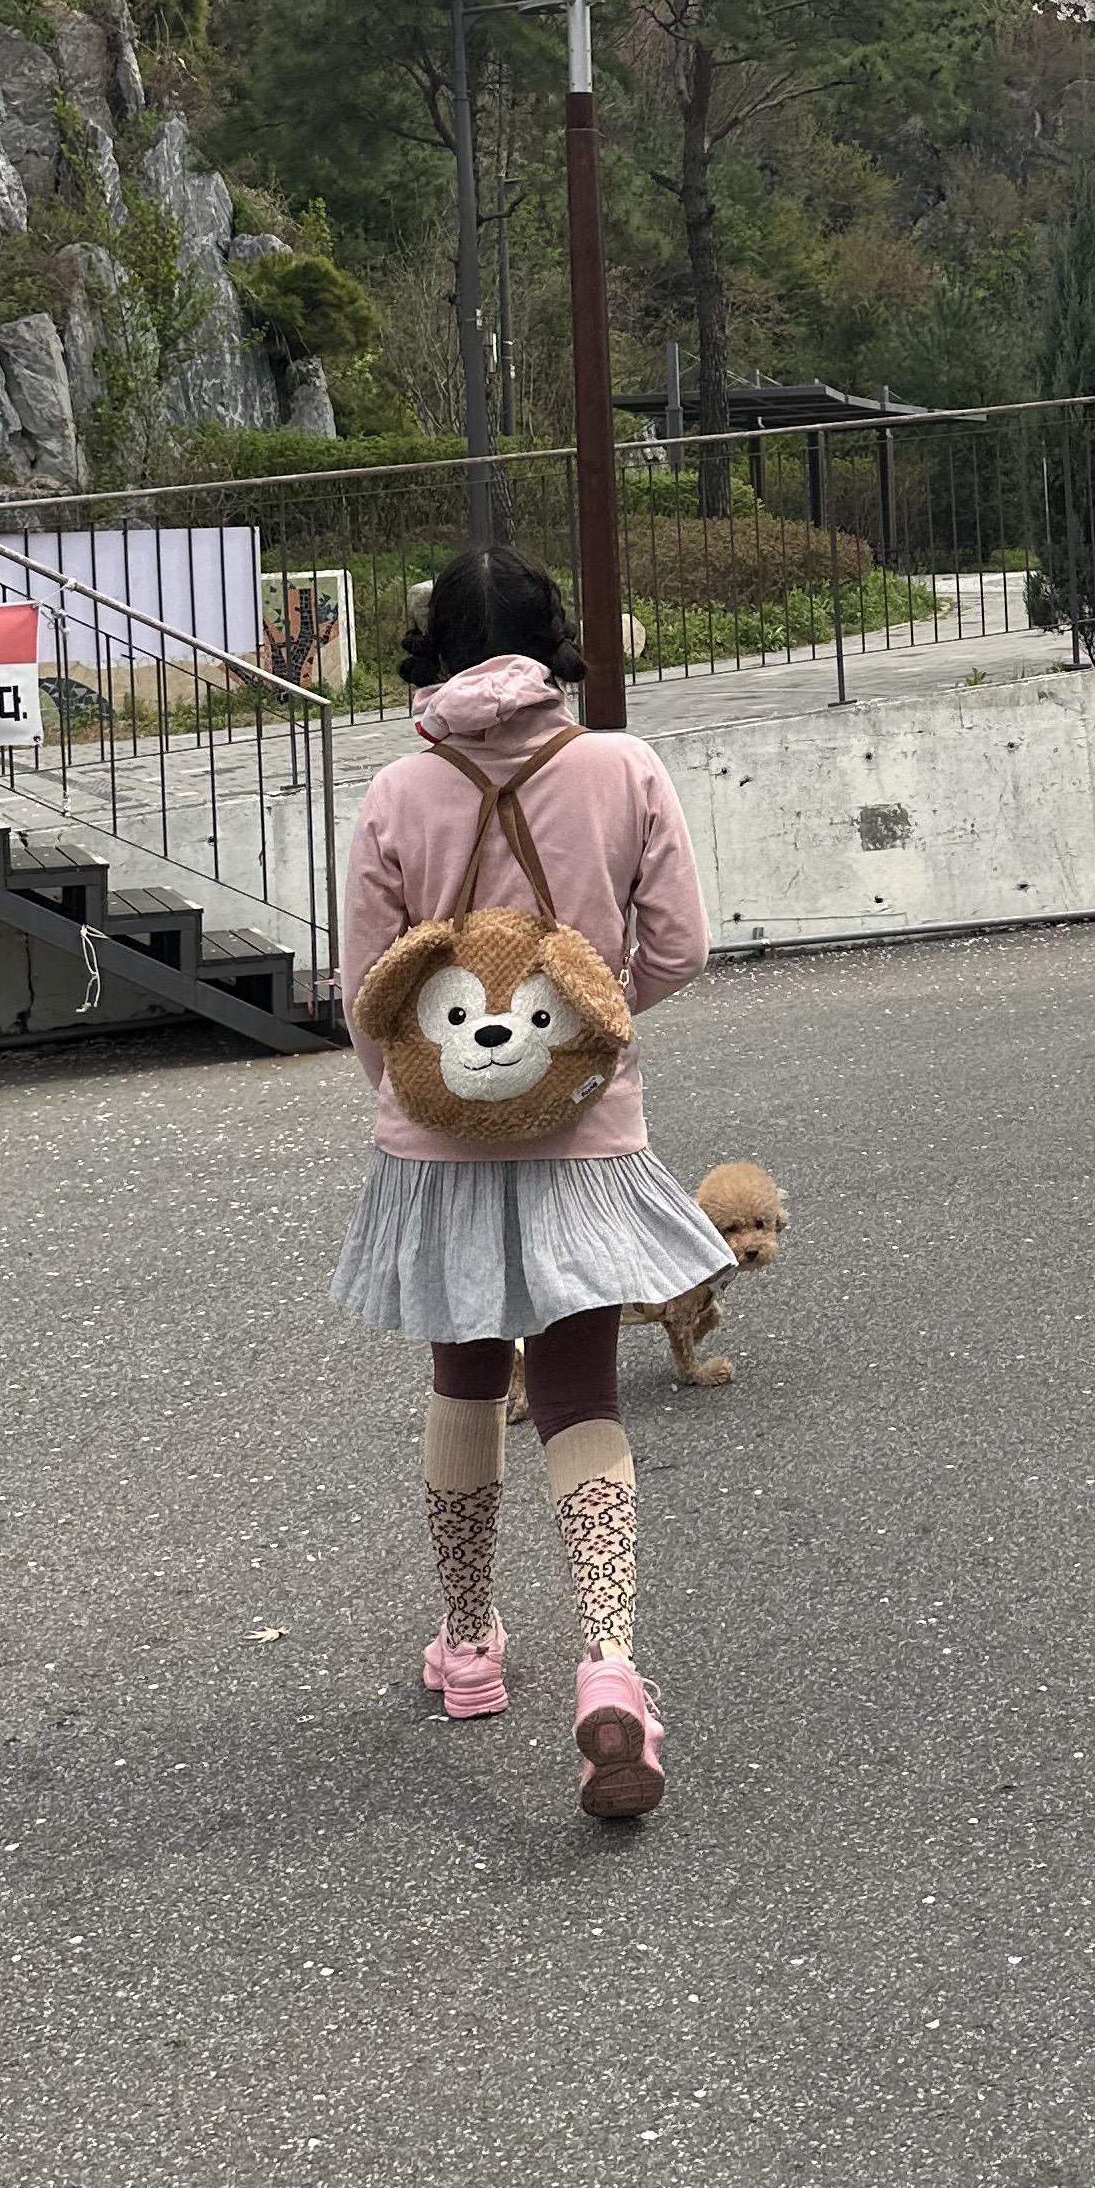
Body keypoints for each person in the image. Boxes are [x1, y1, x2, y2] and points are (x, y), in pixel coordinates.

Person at [330, 544, 730, 1819]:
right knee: (577, 1394)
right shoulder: (622, 767)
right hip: (583, 1135)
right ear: (554, 643)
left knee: (464, 1384)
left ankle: (468, 1647)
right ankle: (608, 1666)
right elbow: (680, 946)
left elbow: (364, 990)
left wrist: (416, 1091)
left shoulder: (398, 791)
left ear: (434, 649)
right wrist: (592, 1034)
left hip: (439, 1149)